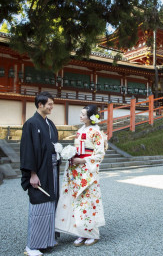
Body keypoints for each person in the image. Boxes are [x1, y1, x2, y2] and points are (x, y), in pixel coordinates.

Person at [55, 104, 106, 247]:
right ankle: (80, 232)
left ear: (90, 117)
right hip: (76, 170)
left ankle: (92, 233)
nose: (80, 116)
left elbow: (100, 153)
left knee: (88, 201)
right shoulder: (81, 130)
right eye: (81, 114)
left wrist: (83, 160)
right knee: (76, 201)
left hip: (87, 169)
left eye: (83, 114)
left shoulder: (96, 132)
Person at [20, 91, 60, 256]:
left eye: (52, 104)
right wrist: (32, 174)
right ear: (40, 105)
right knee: (39, 204)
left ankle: (47, 241)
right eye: (49, 104)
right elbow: (27, 150)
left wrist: (58, 151)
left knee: (51, 203)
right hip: (39, 170)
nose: (51, 107)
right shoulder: (31, 123)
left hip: (51, 169)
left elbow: (52, 144)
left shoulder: (49, 123)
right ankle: (32, 246)